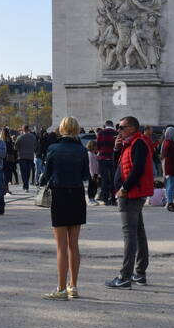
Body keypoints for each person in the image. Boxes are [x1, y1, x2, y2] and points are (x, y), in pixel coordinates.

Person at [37, 116, 88, 300]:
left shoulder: (53, 149)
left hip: (59, 195)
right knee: (74, 245)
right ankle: (73, 286)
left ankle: (59, 288)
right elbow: (85, 175)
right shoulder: (82, 150)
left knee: (61, 246)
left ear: (61, 129)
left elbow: (46, 175)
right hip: (76, 194)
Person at [104, 116, 153, 289]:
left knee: (130, 236)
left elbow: (137, 169)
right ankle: (139, 273)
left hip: (131, 194)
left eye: (122, 127)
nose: (118, 130)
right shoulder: (129, 144)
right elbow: (117, 167)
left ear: (132, 128)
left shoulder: (138, 143)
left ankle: (125, 276)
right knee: (138, 233)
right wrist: (116, 150)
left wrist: (124, 188)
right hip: (132, 193)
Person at [95, 120, 117, 205]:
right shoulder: (115, 133)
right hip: (112, 158)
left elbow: (98, 146)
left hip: (103, 158)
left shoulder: (101, 133)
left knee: (104, 179)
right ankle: (113, 199)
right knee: (113, 180)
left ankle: (105, 199)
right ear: (112, 125)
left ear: (105, 125)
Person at [16, 124, 37, 193]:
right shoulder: (33, 137)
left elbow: (15, 146)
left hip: (22, 156)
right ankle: (26, 184)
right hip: (30, 156)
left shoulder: (20, 137)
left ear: (23, 129)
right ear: (28, 129)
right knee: (28, 172)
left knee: (23, 172)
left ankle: (25, 185)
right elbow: (36, 146)